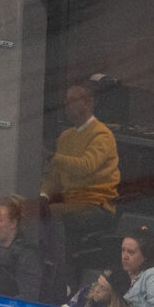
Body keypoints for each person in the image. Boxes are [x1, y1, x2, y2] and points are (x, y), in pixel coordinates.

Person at [41, 83, 120, 252]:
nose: (66, 105)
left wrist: (51, 156)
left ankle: (59, 263)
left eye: (72, 100)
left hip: (96, 204)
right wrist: (43, 195)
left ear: (89, 103)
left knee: (53, 212)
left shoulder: (102, 135)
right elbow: (54, 175)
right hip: (71, 201)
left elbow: (86, 166)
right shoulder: (65, 136)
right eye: (66, 100)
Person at [120, 226, 154, 307]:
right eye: (123, 250)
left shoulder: (153, 275)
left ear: (145, 256)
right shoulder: (123, 273)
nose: (125, 256)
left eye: (131, 252)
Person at [65, 267, 131, 307]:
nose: (96, 290)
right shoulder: (85, 291)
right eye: (97, 283)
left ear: (113, 296)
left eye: (103, 288)